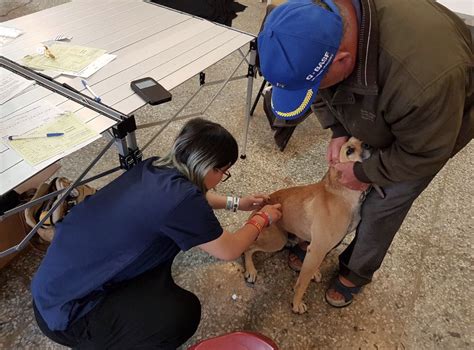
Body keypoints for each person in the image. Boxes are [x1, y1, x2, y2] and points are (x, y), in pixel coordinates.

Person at [257, 0, 473, 307]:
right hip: (388, 97)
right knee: (344, 197)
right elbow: (319, 90)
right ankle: (323, 237)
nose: (316, 90)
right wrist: (337, 129)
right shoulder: (316, 23)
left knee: (384, 203)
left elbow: (423, 154)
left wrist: (362, 173)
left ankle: (356, 271)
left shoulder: (425, 82)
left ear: (344, 60)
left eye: (315, 83)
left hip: (427, 133)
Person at [31, 118, 282, 349]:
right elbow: (230, 249)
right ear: (211, 169)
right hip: (70, 314)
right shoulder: (182, 201)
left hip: (54, 284)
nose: (222, 177)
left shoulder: (153, 167)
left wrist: (237, 202)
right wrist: (263, 218)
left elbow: (195, 195)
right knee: (182, 313)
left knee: (159, 260)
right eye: (224, 172)